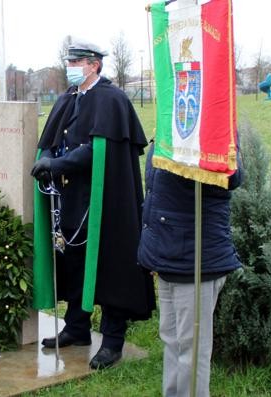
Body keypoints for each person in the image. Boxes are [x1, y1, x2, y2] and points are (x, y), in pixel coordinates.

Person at [30, 39, 155, 370]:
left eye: (77, 62)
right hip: (72, 200)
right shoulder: (68, 98)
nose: (71, 67)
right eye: (69, 61)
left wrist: (58, 165)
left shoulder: (112, 100)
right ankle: (77, 327)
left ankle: (112, 340)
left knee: (110, 266)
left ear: (94, 64)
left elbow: (95, 150)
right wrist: (45, 158)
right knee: (74, 262)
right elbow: (52, 139)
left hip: (106, 201)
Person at [137, 146, 243, 397]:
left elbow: (232, 177)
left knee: (192, 351)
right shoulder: (168, 121)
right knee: (172, 341)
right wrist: (155, 253)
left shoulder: (211, 126)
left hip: (196, 259)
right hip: (168, 257)